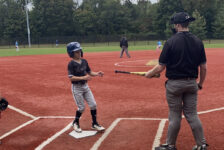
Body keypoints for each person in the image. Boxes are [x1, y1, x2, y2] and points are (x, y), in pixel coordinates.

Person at [145, 12, 208, 150]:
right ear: (187, 24)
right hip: (192, 83)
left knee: (175, 115)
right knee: (192, 114)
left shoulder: (171, 42)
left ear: (178, 25)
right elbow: (203, 67)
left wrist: (149, 74)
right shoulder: (198, 41)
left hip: (174, 85)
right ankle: (201, 144)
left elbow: (161, 67)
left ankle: (170, 145)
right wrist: (200, 84)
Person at [66, 42, 105, 133]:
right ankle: (76, 123)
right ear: (71, 53)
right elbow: (71, 77)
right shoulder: (71, 64)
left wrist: (97, 74)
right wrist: (83, 77)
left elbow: (90, 72)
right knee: (81, 107)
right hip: (77, 88)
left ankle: (94, 124)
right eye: (76, 51)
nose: (79, 53)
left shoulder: (84, 61)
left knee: (93, 105)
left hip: (85, 86)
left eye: (80, 51)